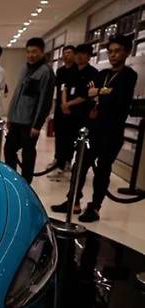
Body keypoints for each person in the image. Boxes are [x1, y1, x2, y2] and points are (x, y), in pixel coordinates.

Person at [52, 35, 137, 222]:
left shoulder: (128, 75)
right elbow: (85, 93)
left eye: (117, 51)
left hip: (112, 131)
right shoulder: (103, 74)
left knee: (103, 170)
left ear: (127, 52)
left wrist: (98, 92)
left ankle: (95, 207)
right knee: (80, 165)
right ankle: (73, 201)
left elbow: (118, 97)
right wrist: (103, 92)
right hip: (93, 128)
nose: (113, 55)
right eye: (110, 51)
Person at [3, 37, 55, 184]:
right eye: (29, 52)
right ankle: (12, 179)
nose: (31, 55)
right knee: (9, 149)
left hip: (30, 123)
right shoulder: (25, 69)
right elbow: (17, 95)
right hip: (16, 120)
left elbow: (45, 100)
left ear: (42, 52)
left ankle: (26, 183)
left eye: (35, 51)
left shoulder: (46, 72)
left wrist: (37, 125)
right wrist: (10, 117)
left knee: (28, 153)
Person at [50, 44, 99, 182]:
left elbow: (87, 95)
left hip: (81, 114)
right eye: (78, 53)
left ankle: (74, 169)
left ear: (89, 56)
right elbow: (64, 88)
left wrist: (69, 104)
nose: (79, 56)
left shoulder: (93, 73)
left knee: (77, 143)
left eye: (83, 54)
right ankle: (60, 165)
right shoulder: (71, 71)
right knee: (62, 139)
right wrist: (64, 103)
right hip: (66, 112)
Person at [47, 45, 77, 180]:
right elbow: (59, 88)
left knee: (69, 137)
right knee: (59, 135)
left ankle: (67, 161)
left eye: (69, 53)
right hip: (60, 108)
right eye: (64, 53)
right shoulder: (60, 71)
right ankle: (58, 159)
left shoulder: (77, 70)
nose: (66, 55)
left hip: (72, 110)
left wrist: (67, 104)